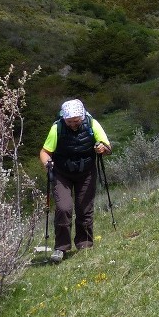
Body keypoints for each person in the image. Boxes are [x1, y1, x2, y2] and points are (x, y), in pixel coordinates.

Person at [39, 98, 111, 263]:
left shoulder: (92, 124)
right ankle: (61, 248)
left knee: (84, 208)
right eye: (70, 121)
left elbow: (107, 147)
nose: (73, 124)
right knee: (64, 208)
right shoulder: (56, 128)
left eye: (76, 121)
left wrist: (102, 148)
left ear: (82, 116)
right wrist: (47, 164)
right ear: (64, 118)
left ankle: (85, 244)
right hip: (61, 173)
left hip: (86, 172)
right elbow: (44, 152)